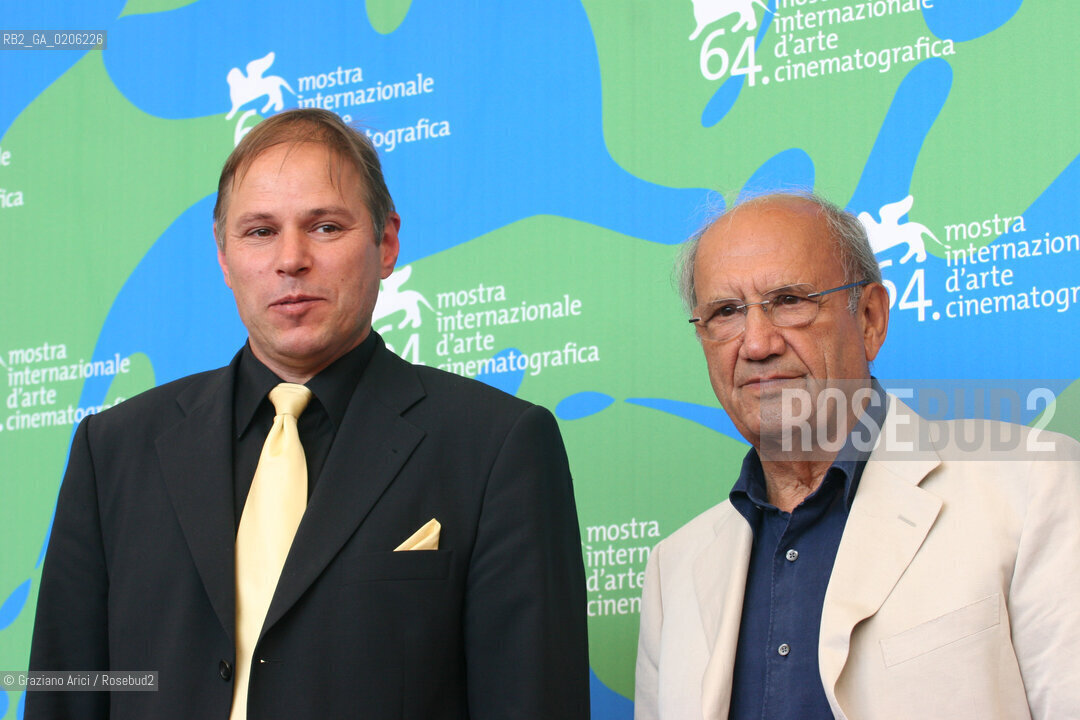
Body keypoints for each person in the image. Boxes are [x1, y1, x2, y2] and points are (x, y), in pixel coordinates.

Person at [28, 108, 589, 720]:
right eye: (260, 232)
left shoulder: (498, 446)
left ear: (387, 243)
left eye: (324, 227)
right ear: (223, 256)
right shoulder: (112, 450)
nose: (290, 259)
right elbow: (64, 694)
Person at [634, 192, 1080, 719]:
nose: (756, 344)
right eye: (726, 312)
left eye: (788, 300)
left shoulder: (1034, 485)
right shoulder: (675, 569)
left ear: (869, 318)